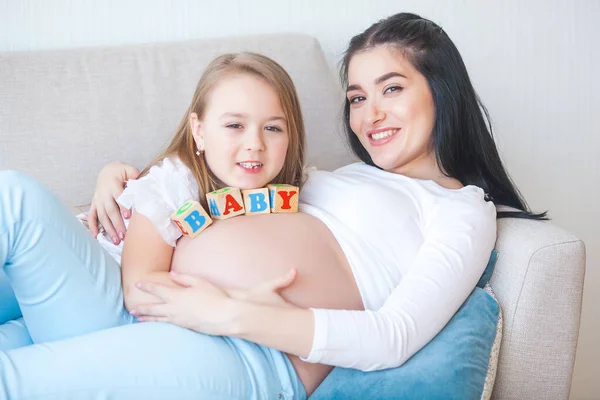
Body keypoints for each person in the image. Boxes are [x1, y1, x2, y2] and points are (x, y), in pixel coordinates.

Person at [0, 12, 545, 400]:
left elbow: (393, 336)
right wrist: (114, 179)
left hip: (243, 353)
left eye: (392, 88)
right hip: (138, 304)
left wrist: (230, 313)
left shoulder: (461, 209)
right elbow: (206, 181)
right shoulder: (329, 178)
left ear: (441, 91)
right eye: (357, 97)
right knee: (14, 196)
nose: (371, 113)